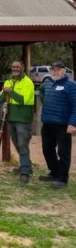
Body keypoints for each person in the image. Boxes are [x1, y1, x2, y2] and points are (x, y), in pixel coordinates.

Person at [40, 61, 76, 189]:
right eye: (53, 70)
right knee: (47, 149)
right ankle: (54, 172)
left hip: (62, 124)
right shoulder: (52, 83)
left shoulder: (71, 85)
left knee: (63, 151)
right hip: (48, 122)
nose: (55, 72)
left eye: (58, 70)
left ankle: (62, 178)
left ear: (64, 71)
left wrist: (72, 123)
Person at [1, 61, 35, 183]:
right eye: (13, 66)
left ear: (22, 68)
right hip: (11, 118)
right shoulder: (8, 81)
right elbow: (1, 98)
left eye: (18, 66)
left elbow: (23, 100)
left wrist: (10, 91)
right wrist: (4, 92)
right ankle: (26, 164)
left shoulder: (28, 82)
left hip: (23, 119)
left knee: (23, 144)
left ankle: (25, 171)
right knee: (16, 143)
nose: (15, 68)